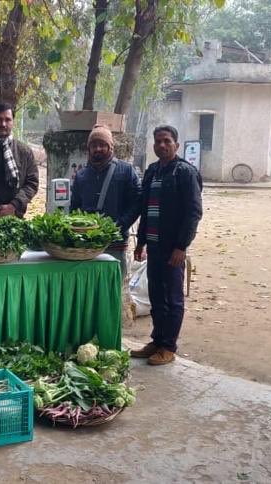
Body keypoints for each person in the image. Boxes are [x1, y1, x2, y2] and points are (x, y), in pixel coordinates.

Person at [131, 125, 203, 366]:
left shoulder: (185, 173)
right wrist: (140, 241)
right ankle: (157, 340)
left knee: (172, 298)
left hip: (173, 250)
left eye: (167, 141)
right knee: (156, 296)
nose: (162, 145)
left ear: (176, 145)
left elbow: (193, 213)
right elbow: (145, 209)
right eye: (158, 141)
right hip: (153, 247)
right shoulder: (152, 172)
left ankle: (169, 346)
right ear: (153, 146)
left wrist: (181, 247)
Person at [69, 124, 141, 277]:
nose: (98, 149)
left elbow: (137, 202)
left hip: (116, 244)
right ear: (89, 149)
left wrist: (120, 225)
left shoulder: (126, 171)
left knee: (114, 288)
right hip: (87, 245)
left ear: (111, 147)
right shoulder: (81, 176)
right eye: (94, 145)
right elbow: (74, 208)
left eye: (102, 145)